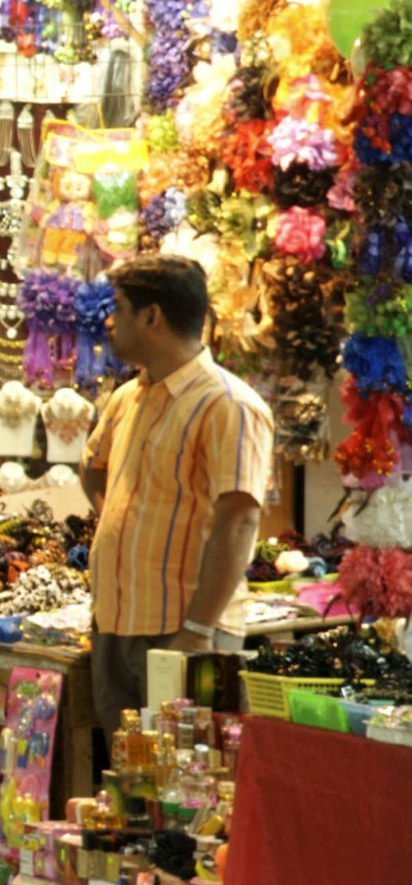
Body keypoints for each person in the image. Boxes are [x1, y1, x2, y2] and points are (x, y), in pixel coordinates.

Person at [83, 254, 270, 732]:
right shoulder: (128, 398)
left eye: (119, 308)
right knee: (126, 770)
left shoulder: (228, 405)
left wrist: (198, 629)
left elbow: (239, 520)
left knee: (188, 773)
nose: (109, 321)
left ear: (152, 317)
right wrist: (121, 533)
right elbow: (93, 469)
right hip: (116, 624)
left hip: (186, 633)